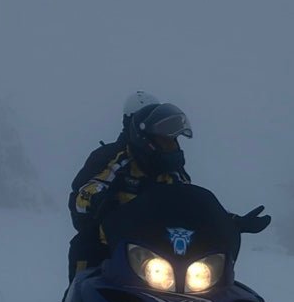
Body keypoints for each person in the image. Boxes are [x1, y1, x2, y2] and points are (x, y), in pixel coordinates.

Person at [67, 92, 270, 282]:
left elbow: (193, 202)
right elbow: (87, 191)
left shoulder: (172, 172)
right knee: (85, 249)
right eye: (165, 139)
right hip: (115, 244)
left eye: (173, 140)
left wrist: (233, 221)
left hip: (158, 247)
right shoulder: (118, 161)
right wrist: (99, 201)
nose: (171, 145)